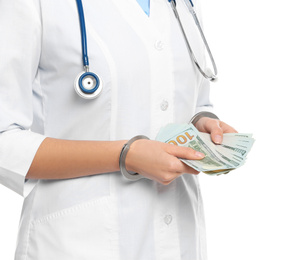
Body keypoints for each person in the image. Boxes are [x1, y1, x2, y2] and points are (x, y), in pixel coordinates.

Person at [0, 0, 236, 259]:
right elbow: (5, 140)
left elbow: (190, 98)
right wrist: (126, 155)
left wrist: (201, 124)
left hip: (178, 236)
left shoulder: (182, 4)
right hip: (78, 242)